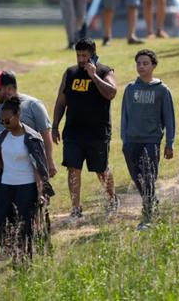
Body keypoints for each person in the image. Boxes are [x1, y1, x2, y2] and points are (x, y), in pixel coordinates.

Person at [52, 38, 118, 221]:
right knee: (73, 169)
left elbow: (112, 93)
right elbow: (61, 101)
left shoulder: (105, 71)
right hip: (73, 131)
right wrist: (55, 126)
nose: (81, 60)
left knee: (101, 169)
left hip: (97, 132)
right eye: (78, 55)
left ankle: (112, 200)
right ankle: (76, 209)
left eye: (84, 56)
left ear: (93, 55)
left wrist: (94, 76)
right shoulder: (70, 73)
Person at [0, 97, 54, 262]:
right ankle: (10, 249)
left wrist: (40, 192)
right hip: (7, 185)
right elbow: (3, 163)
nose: (5, 124)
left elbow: (38, 167)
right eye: (2, 121)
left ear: (18, 115)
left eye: (8, 120)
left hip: (27, 186)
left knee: (25, 226)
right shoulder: (3, 136)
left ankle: (25, 261)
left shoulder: (31, 137)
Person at [0, 71, 56, 215]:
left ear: (9, 89)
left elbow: (45, 136)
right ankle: (11, 237)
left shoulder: (33, 105)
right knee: (0, 212)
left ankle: (38, 236)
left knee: (33, 211)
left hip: (29, 169)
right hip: (1, 169)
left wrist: (49, 162)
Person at [121, 50, 175, 230]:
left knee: (149, 178)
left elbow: (169, 118)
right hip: (131, 142)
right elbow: (124, 116)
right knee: (137, 179)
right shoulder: (130, 89)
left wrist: (169, 143)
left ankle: (148, 216)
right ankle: (152, 205)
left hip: (151, 141)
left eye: (145, 63)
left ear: (153, 65)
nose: (141, 67)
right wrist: (125, 140)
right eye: (138, 63)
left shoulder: (162, 90)